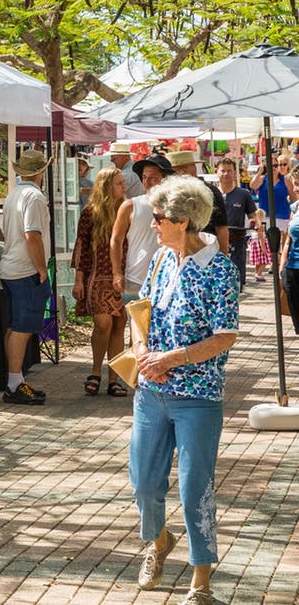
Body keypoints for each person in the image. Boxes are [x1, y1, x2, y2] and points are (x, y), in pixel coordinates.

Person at [130, 175, 238, 605]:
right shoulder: (161, 259)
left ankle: (201, 582)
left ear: (184, 221)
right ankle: (158, 541)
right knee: (143, 483)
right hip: (151, 391)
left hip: (197, 396)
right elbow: (140, 309)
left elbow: (224, 335)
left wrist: (169, 359)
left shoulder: (219, 269)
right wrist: (141, 351)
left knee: (195, 487)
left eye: (158, 218)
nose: (152, 224)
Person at [0, 150, 51, 405]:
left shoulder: (15, 193)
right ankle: (14, 383)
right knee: (22, 327)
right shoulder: (34, 196)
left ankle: (14, 380)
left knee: (15, 325)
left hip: (12, 267)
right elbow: (32, 234)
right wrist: (41, 268)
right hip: (25, 269)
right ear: (41, 171)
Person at [71, 167, 129, 397]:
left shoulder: (127, 209)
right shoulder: (90, 212)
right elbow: (81, 247)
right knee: (103, 324)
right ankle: (96, 370)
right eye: (119, 184)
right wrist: (78, 278)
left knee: (118, 325)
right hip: (98, 276)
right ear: (107, 187)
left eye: (123, 183)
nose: (124, 187)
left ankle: (114, 378)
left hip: (122, 276)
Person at [111, 153, 174, 300]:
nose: (147, 182)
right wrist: (117, 273)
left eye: (153, 177)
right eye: (144, 177)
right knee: (137, 323)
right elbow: (116, 239)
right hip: (136, 278)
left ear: (165, 179)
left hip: (168, 277)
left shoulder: (176, 207)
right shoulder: (130, 206)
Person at [166, 151, 229, 254]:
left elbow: (221, 227)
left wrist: (224, 254)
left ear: (183, 172)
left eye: (172, 172)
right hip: (178, 252)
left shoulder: (210, 191)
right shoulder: (171, 193)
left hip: (207, 252)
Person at [214, 157, 255, 289]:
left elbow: (253, 216)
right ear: (217, 172)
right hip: (213, 245)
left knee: (236, 283)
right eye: (223, 171)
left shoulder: (244, 194)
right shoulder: (209, 194)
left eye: (229, 171)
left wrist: (255, 222)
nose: (226, 174)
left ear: (234, 173)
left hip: (236, 244)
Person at [250, 152, 291, 234]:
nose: (273, 168)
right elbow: (252, 186)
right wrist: (260, 171)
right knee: (265, 244)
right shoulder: (262, 179)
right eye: (270, 166)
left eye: (276, 165)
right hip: (265, 217)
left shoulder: (285, 180)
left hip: (283, 218)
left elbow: (293, 197)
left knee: (279, 245)